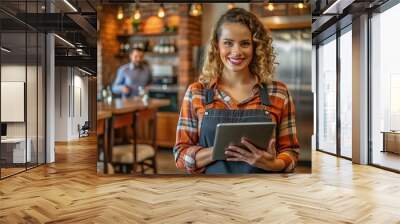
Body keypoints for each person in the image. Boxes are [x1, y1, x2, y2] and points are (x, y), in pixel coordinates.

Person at [173, 8, 300, 174]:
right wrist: (220, 150)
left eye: (245, 43)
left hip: (263, 194)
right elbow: (181, 155)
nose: (236, 51)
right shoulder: (196, 93)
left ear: (256, 47)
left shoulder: (278, 93)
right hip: (211, 195)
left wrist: (273, 164)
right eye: (228, 43)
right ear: (216, 46)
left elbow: (291, 152)